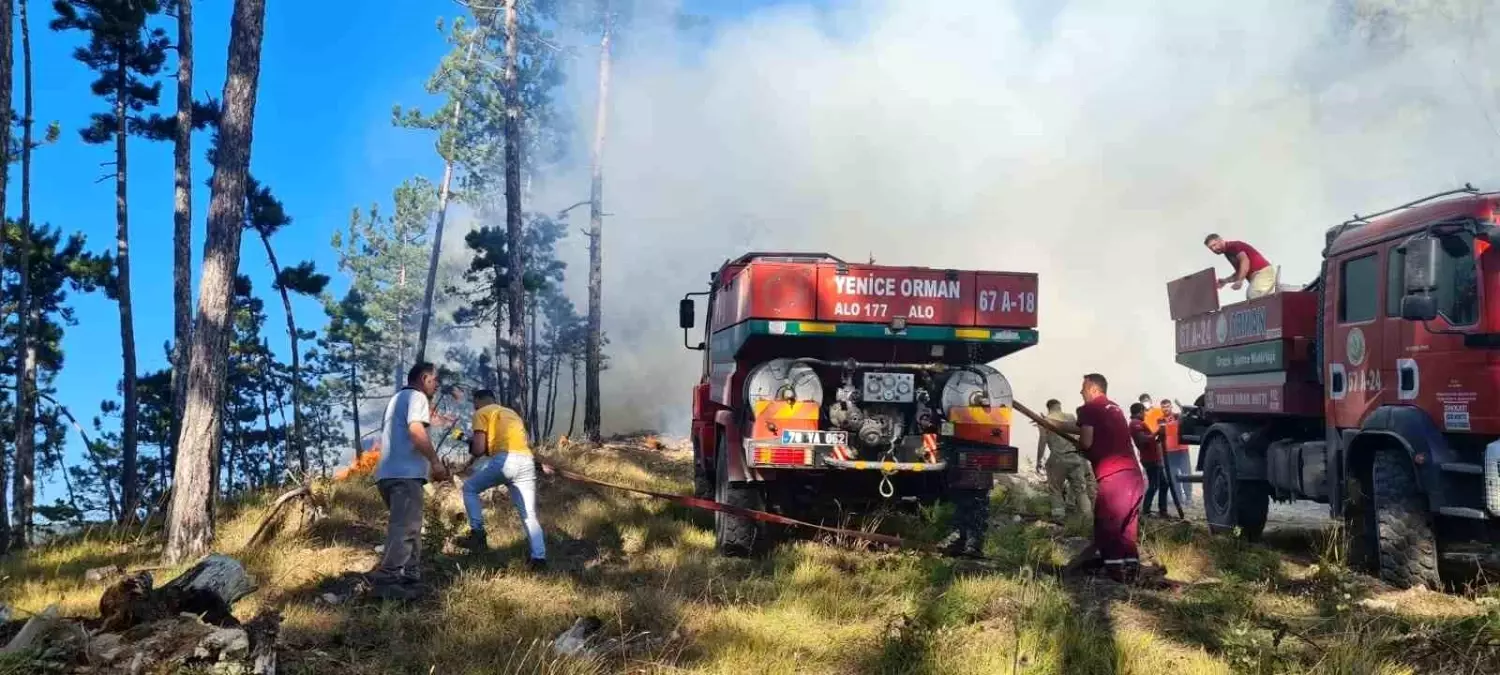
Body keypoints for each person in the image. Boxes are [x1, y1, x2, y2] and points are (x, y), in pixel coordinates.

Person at [1045, 373, 1145, 582]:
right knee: (1126, 527)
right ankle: (1132, 572)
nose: (1080, 392)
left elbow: (1086, 441)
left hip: (1114, 477)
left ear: (1092, 389)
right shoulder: (1113, 408)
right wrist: (1052, 423)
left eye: (1083, 388)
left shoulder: (1088, 409)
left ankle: (1114, 576)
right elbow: (1080, 428)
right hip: (1134, 476)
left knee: (1105, 526)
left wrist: (1079, 446)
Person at [370, 362, 450, 595]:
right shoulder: (416, 397)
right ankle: (388, 580)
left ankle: (410, 577)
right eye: (435, 381)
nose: (436, 386)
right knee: (405, 527)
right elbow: (416, 431)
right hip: (403, 475)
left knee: (411, 527)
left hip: (390, 473)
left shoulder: (397, 399)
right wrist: (435, 462)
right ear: (425, 378)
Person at [457, 389, 550, 569]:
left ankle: (477, 534)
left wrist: (468, 441)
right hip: (526, 461)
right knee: (529, 514)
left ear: (479, 401)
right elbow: (521, 443)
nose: (474, 408)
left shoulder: (481, 413)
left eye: (474, 404)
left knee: (469, 488)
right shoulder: (511, 413)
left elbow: (478, 450)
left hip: (506, 460)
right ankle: (539, 559)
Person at [1036, 399, 1095, 521]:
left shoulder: (1045, 420)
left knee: (1055, 489)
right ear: (1059, 406)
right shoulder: (1071, 417)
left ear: (1048, 408)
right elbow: (1080, 436)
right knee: (1080, 490)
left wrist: (1039, 460)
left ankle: (1059, 517)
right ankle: (1088, 518)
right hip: (1075, 458)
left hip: (1057, 459)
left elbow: (1042, 440)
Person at [1205, 234, 1277, 300]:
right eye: (1211, 248)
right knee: (1257, 299)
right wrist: (1225, 281)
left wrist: (1240, 280)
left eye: (1214, 245)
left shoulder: (1233, 246)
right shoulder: (1228, 253)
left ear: (1220, 240)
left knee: (1253, 295)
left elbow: (1245, 261)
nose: (1213, 249)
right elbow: (1240, 272)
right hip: (1259, 276)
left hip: (1263, 273)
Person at [1131, 403, 1168, 518]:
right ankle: (1146, 510)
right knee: (1154, 485)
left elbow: (1149, 441)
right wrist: (1157, 432)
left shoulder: (1138, 423)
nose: (1145, 414)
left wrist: (1158, 438)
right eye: (1143, 412)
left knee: (1163, 484)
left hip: (1153, 457)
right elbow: (1142, 440)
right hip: (1150, 459)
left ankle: (1162, 511)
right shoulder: (1135, 424)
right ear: (1140, 411)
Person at [1156, 399, 1192, 508]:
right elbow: (1160, 436)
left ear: (1171, 407)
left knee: (1186, 474)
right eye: (1164, 407)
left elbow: (1186, 416)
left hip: (1182, 450)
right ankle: (1179, 500)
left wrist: (1182, 409)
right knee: (1174, 477)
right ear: (1161, 409)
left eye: (1168, 406)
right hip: (1169, 453)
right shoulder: (1160, 420)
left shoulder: (1177, 416)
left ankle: (1189, 498)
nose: (1166, 409)